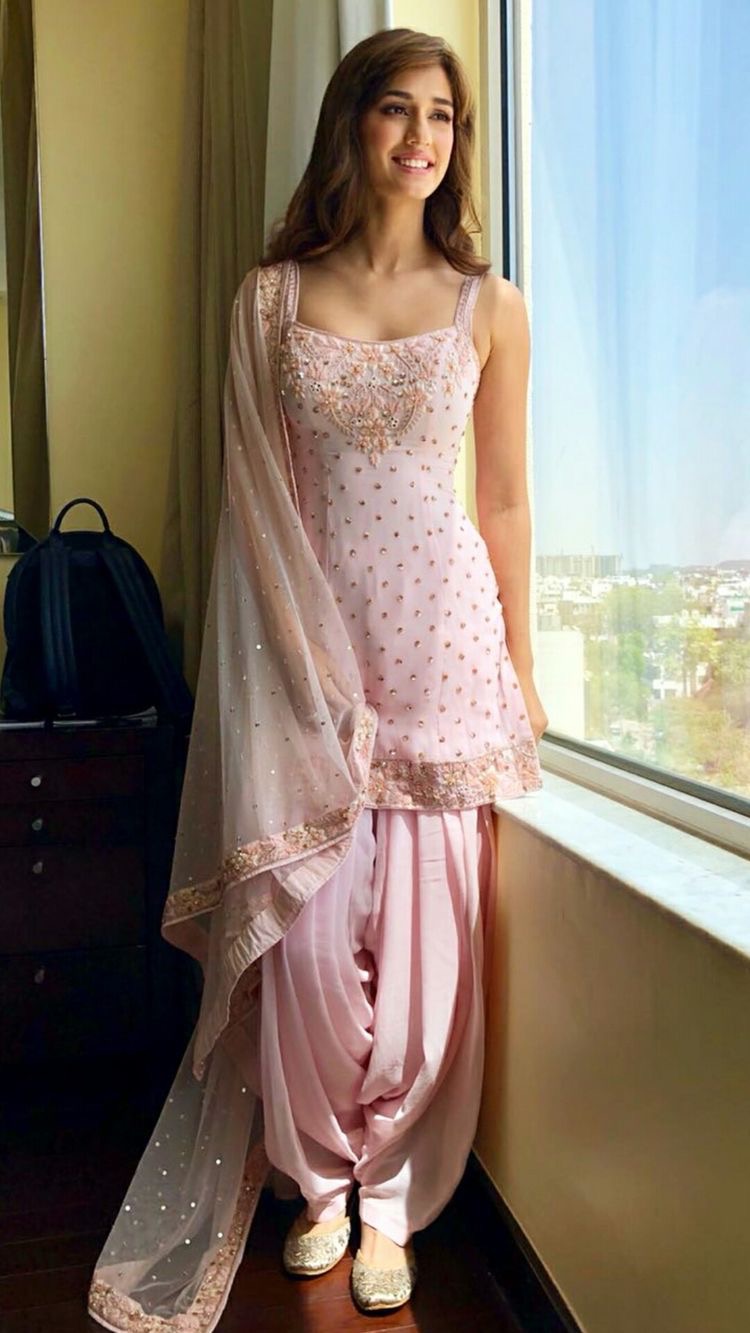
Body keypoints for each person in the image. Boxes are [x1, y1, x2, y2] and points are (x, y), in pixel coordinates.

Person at [88, 26, 547, 1333]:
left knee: (427, 950)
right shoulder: (270, 300)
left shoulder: (489, 305)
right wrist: (291, 672)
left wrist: (521, 668)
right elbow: (256, 508)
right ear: (350, 123)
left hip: (443, 653)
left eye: (443, 117)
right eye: (396, 109)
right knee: (302, 945)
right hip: (303, 659)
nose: (421, 137)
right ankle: (320, 1186)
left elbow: (502, 500)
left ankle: (391, 1199)